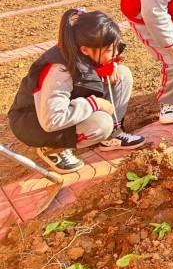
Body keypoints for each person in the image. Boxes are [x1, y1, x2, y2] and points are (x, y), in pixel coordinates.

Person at [8, 9, 145, 174]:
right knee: (101, 124)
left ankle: (113, 136)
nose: (115, 53)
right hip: (34, 122)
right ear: (85, 50)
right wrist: (95, 104)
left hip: (65, 104)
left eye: (115, 47)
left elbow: (100, 63)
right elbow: (52, 120)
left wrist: (109, 64)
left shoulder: (82, 49)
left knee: (122, 75)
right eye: (109, 50)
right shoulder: (59, 71)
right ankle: (52, 148)